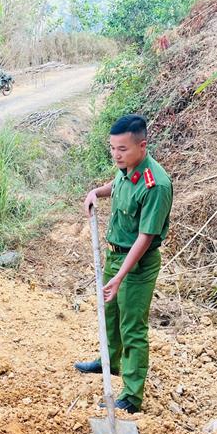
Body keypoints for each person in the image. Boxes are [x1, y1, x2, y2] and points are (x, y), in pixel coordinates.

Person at [74, 115, 173, 414]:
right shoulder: (126, 167)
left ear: (142, 146)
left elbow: (145, 238)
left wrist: (119, 277)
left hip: (137, 263)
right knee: (110, 312)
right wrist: (97, 192)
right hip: (116, 254)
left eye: (122, 149)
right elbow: (116, 184)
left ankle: (131, 394)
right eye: (112, 149)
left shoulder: (156, 185)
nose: (116, 155)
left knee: (132, 325)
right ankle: (110, 361)